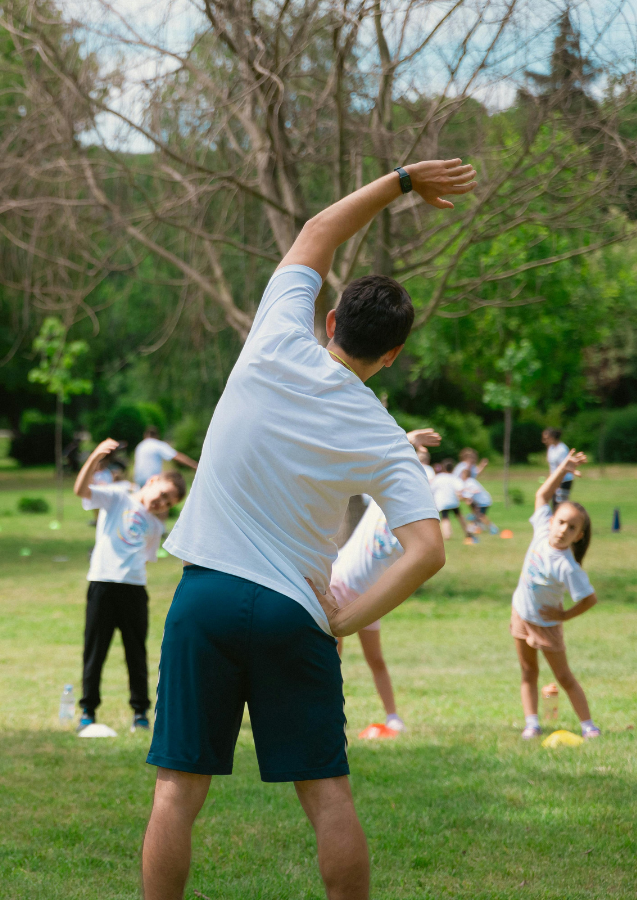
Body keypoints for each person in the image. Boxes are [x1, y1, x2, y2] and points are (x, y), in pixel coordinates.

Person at [142, 159, 471, 900]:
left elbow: (319, 231)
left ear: (329, 321)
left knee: (175, 794)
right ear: (391, 356)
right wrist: (347, 619)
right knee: (328, 797)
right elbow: (427, 550)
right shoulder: (384, 433)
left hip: (207, 600)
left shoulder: (273, 340)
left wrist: (404, 181)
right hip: (297, 613)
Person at [329, 430, 440, 735]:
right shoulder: (381, 498)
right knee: (330, 659)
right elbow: (384, 457)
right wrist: (409, 438)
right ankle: (330, 718)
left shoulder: (419, 525)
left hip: (371, 598)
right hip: (339, 586)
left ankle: (393, 717)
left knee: (375, 659)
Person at [73, 438, 186, 733]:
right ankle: (88, 709)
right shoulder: (117, 497)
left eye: (168, 503)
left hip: (134, 589)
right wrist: (96, 456)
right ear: (151, 481)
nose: (161, 503)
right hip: (102, 583)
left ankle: (140, 712)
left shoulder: (155, 526)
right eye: (162, 494)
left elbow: (145, 558)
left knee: (135, 652)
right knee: (95, 649)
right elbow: (81, 490)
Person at [511, 449, 599, 741]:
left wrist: (563, 615)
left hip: (547, 624)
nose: (563, 529)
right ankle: (532, 723)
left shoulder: (568, 566)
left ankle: (588, 726)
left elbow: (589, 599)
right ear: (551, 521)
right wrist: (563, 468)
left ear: (579, 536)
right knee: (527, 671)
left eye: (572, 527)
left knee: (563, 677)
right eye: (561, 522)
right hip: (522, 613)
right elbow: (541, 494)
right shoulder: (540, 530)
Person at [132, 427, 197, 488]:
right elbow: (176, 456)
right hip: (151, 479)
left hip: (138, 479)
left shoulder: (140, 446)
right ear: (157, 436)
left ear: (145, 435)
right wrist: (194, 465)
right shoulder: (157, 444)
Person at [431, 460, 475, 543]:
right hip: (453, 501)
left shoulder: (438, 477)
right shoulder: (454, 478)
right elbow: (460, 488)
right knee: (460, 516)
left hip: (442, 502)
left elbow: (432, 488)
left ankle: (447, 535)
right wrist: (465, 498)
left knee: (445, 518)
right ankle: (467, 531)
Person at [543, 428, 574, 505]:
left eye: (546, 438)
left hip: (564, 480)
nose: (544, 441)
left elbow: (564, 466)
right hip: (554, 479)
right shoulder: (551, 448)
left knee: (560, 503)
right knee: (553, 502)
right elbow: (552, 466)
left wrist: (558, 481)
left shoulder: (562, 449)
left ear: (552, 437)